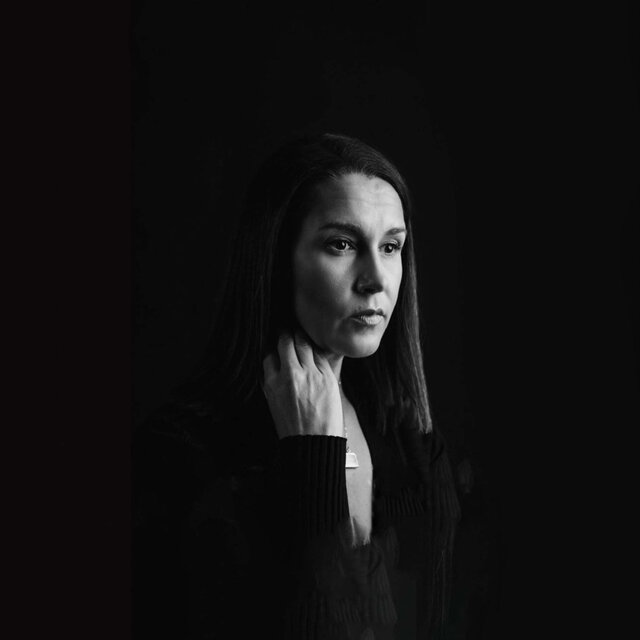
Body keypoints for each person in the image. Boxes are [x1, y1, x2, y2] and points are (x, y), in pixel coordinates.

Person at [133, 133, 460, 639]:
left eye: (391, 246)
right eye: (341, 244)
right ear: (276, 258)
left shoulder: (413, 443)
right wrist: (312, 458)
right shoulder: (181, 455)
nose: (376, 279)